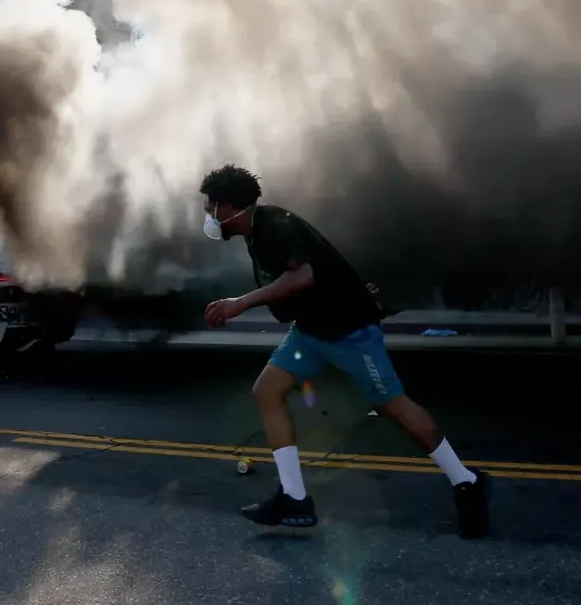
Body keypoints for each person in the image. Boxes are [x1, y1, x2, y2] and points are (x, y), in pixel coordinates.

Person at [199, 164, 491, 538]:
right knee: (266, 391)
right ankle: (294, 498)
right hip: (310, 331)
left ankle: (466, 481)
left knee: (394, 406)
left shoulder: (275, 227)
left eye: (212, 206)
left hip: (348, 331)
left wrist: (241, 303)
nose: (208, 214)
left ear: (231, 207)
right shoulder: (256, 234)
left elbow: (304, 275)